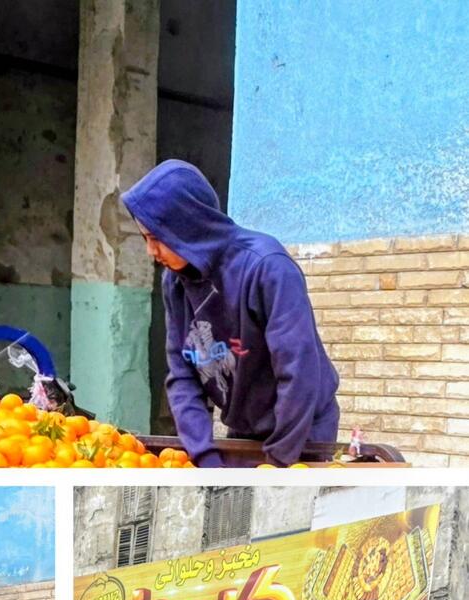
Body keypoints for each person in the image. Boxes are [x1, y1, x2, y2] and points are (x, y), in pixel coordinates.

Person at [122, 160, 339, 468]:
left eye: (156, 238)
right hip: (244, 428)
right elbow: (182, 375)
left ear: (186, 226)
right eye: (145, 239)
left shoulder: (266, 266)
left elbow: (298, 370)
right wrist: (206, 457)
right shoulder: (175, 280)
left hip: (302, 429)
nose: (151, 252)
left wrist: (276, 464)